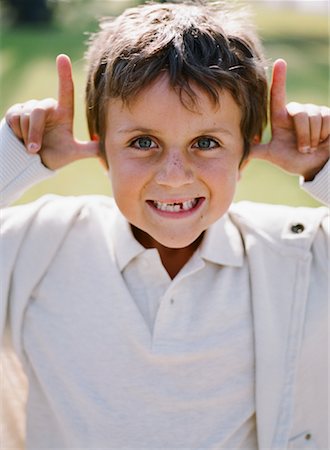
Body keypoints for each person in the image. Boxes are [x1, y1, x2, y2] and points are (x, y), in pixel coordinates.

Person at [0, 1, 329, 448]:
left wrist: (324, 165)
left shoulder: (298, 254)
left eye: (206, 142)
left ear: (245, 153)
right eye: (143, 142)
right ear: (101, 149)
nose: (174, 174)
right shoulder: (38, 244)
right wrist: (15, 156)